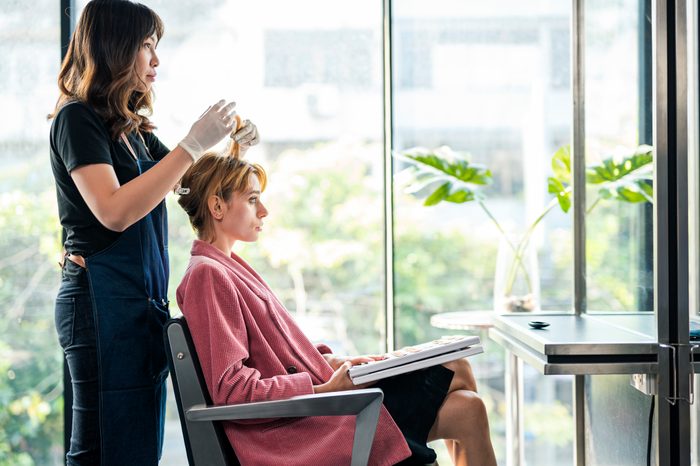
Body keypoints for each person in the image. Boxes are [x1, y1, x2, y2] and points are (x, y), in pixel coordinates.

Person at [175, 151, 497, 466]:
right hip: (302, 426)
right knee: (467, 404)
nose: (265, 211)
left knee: (463, 381)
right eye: (252, 200)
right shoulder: (208, 275)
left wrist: (334, 363)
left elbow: (277, 356)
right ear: (217, 206)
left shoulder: (227, 267)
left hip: (320, 402)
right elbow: (232, 390)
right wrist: (323, 387)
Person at [48, 1, 259, 464]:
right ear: (116, 49)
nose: (156, 60)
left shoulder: (133, 130)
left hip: (140, 306)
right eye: (147, 47)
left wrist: (231, 147)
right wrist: (190, 144)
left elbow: (190, 183)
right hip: (97, 302)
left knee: (138, 448)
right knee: (102, 448)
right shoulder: (76, 120)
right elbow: (114, 211)